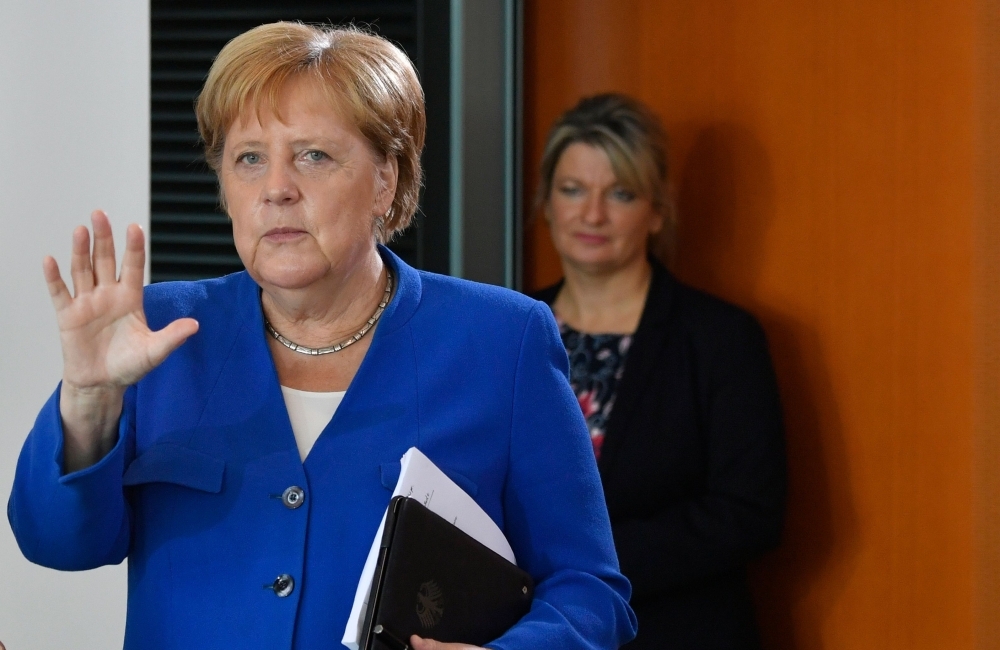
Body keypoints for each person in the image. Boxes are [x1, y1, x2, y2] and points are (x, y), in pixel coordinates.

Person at [7, 24, 636, 650]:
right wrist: (88, 399)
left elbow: (588, 591)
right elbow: (57, 545)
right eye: (249, 158)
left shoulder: (504, 340)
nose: (276, 188)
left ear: (387, 181)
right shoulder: (158, 332)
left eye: (313, 155)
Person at [532, 93, 787, 649]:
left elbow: (750, 513)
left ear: (657, 210)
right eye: (572, 190)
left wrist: (590, 561)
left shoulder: (721, 338)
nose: (591, 214)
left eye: (619, 194)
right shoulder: (509, 330)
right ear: (547, 202)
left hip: (676, 630)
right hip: (531, 631)